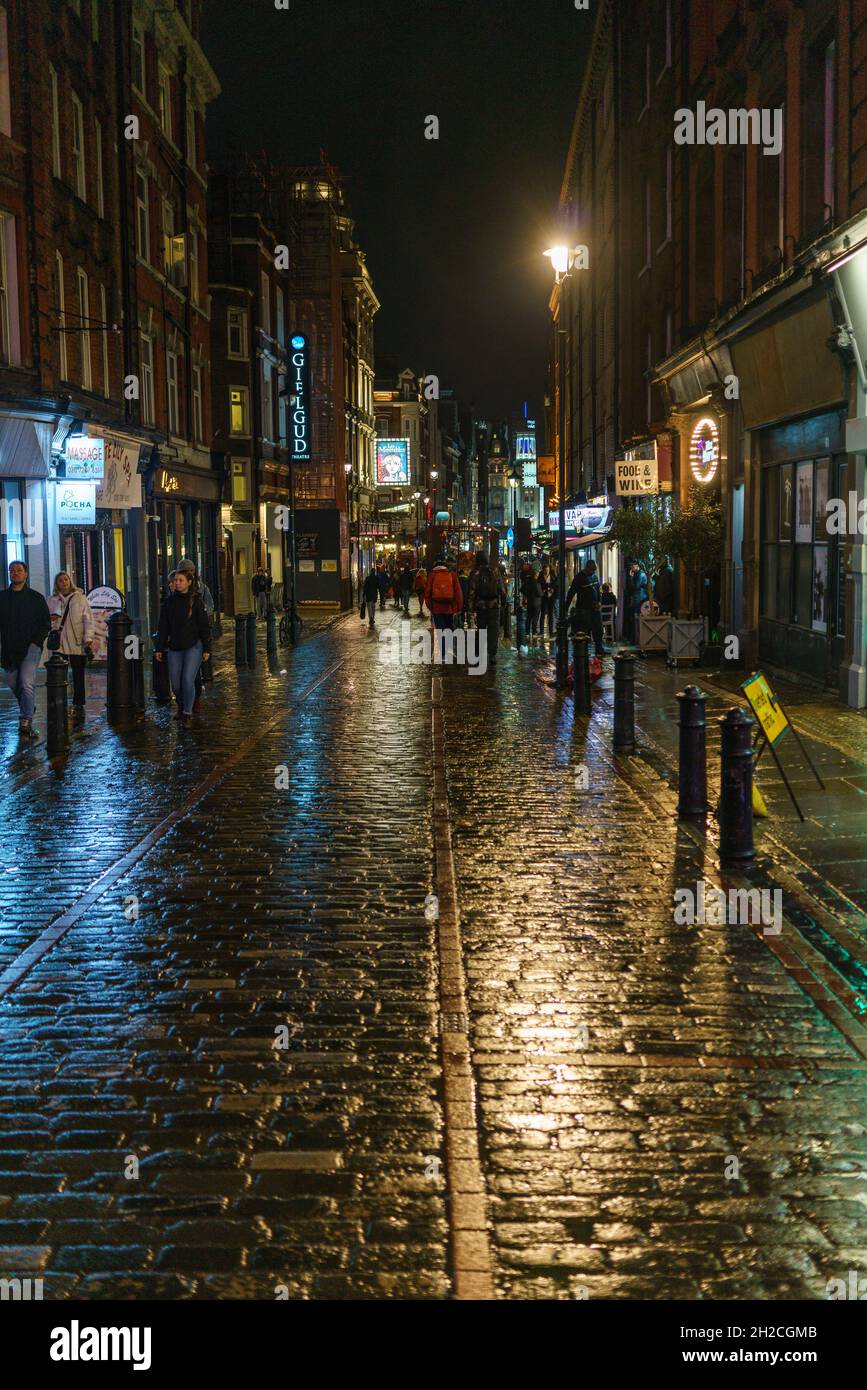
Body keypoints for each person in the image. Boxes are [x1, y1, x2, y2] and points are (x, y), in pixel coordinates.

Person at [0, 560, 51, 738]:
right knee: (13, 682)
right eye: (12, 571)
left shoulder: (36, 598)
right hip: (9, 648)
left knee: (27, 682)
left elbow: (46, 623)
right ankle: (27, 704)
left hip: (30, 647)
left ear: (26, 573)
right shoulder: (3, 598)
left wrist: (36, 642)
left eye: (19, 570)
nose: (15, 573)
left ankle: (25, 720)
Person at [155, 568, 211, 723]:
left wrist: (207, 648)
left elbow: (204, 626)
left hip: (194, 646)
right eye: (175, 580)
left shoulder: (196, 602)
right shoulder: (169, 602)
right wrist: (159, 647)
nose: (177, 583)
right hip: (175, 647)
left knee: (187, 679)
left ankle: (187, 712)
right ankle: (181, 704)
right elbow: (163, 626)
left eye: (180, 580)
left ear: (189, 582)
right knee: (176, 684)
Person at [47, 573, 95, 713]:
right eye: (60, 580)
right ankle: (59, 700)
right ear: (57, 584)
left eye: (66, 579)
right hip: (60, 642)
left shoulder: (80, 598)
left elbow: (88, 619)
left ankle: (78, 702)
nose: (64, 582)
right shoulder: (52, 600)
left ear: (70, 581)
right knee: (59, 673)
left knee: (78, 673)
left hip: (77, 641)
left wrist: (88, 638)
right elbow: (45, 619)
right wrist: (52, 620)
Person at [467, 551, 507, 669]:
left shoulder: (475, 573)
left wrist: (470, 609)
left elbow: (471, 592)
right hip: (495, 606)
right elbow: (502, 589)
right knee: (493, 631)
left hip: (481, 606)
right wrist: (503, 602)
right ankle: (492, 655)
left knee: (481, 630)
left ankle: (478, 656)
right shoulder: (494, 571)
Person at [424, 555, 463, 662]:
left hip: (437, 608)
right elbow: (458, 593)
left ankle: (444, 653)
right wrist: (457, 607)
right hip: (449, 608)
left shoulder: (432, 575)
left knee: (440, 630)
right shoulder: (452, 574)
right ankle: (449, 650)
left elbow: (427, 593)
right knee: (449, 629)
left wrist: (430, 606)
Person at [566, 558, 606, 655]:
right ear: (587, 568)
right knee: (585, 630)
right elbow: (571, 593)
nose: (593, 572)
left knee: (598, 629)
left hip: (595, 608)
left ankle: (599, 649)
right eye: (592, 570)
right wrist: (566, 607)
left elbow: (598, 591)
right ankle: (583, 651)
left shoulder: (595, 577)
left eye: (594, 570)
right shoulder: (579, 578)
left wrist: (599, 602)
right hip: (584, 609)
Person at [625, 560, 648, 645]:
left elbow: (635, 586)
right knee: (633, 619)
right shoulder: (637, 574)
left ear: (637, 566)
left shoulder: (640, 575)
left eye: (632, 566)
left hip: (639, 599)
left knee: (636, 619)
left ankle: (635, 639)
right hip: (637, 598)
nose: (631, 568)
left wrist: (630, 577)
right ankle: (633, 639)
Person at [538, 563, 556, 640]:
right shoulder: (540, 577)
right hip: (543, 597)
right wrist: (546, 587)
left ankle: (551, 632)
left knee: (551, 615)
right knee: (542, 614)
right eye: (545, 570)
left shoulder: (552, 577)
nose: (546, 571)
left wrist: (551, 588)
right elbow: (539, 586)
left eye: (547, 570)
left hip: (551, 597)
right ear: (543, 570)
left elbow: (555, 585)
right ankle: (541, 631)